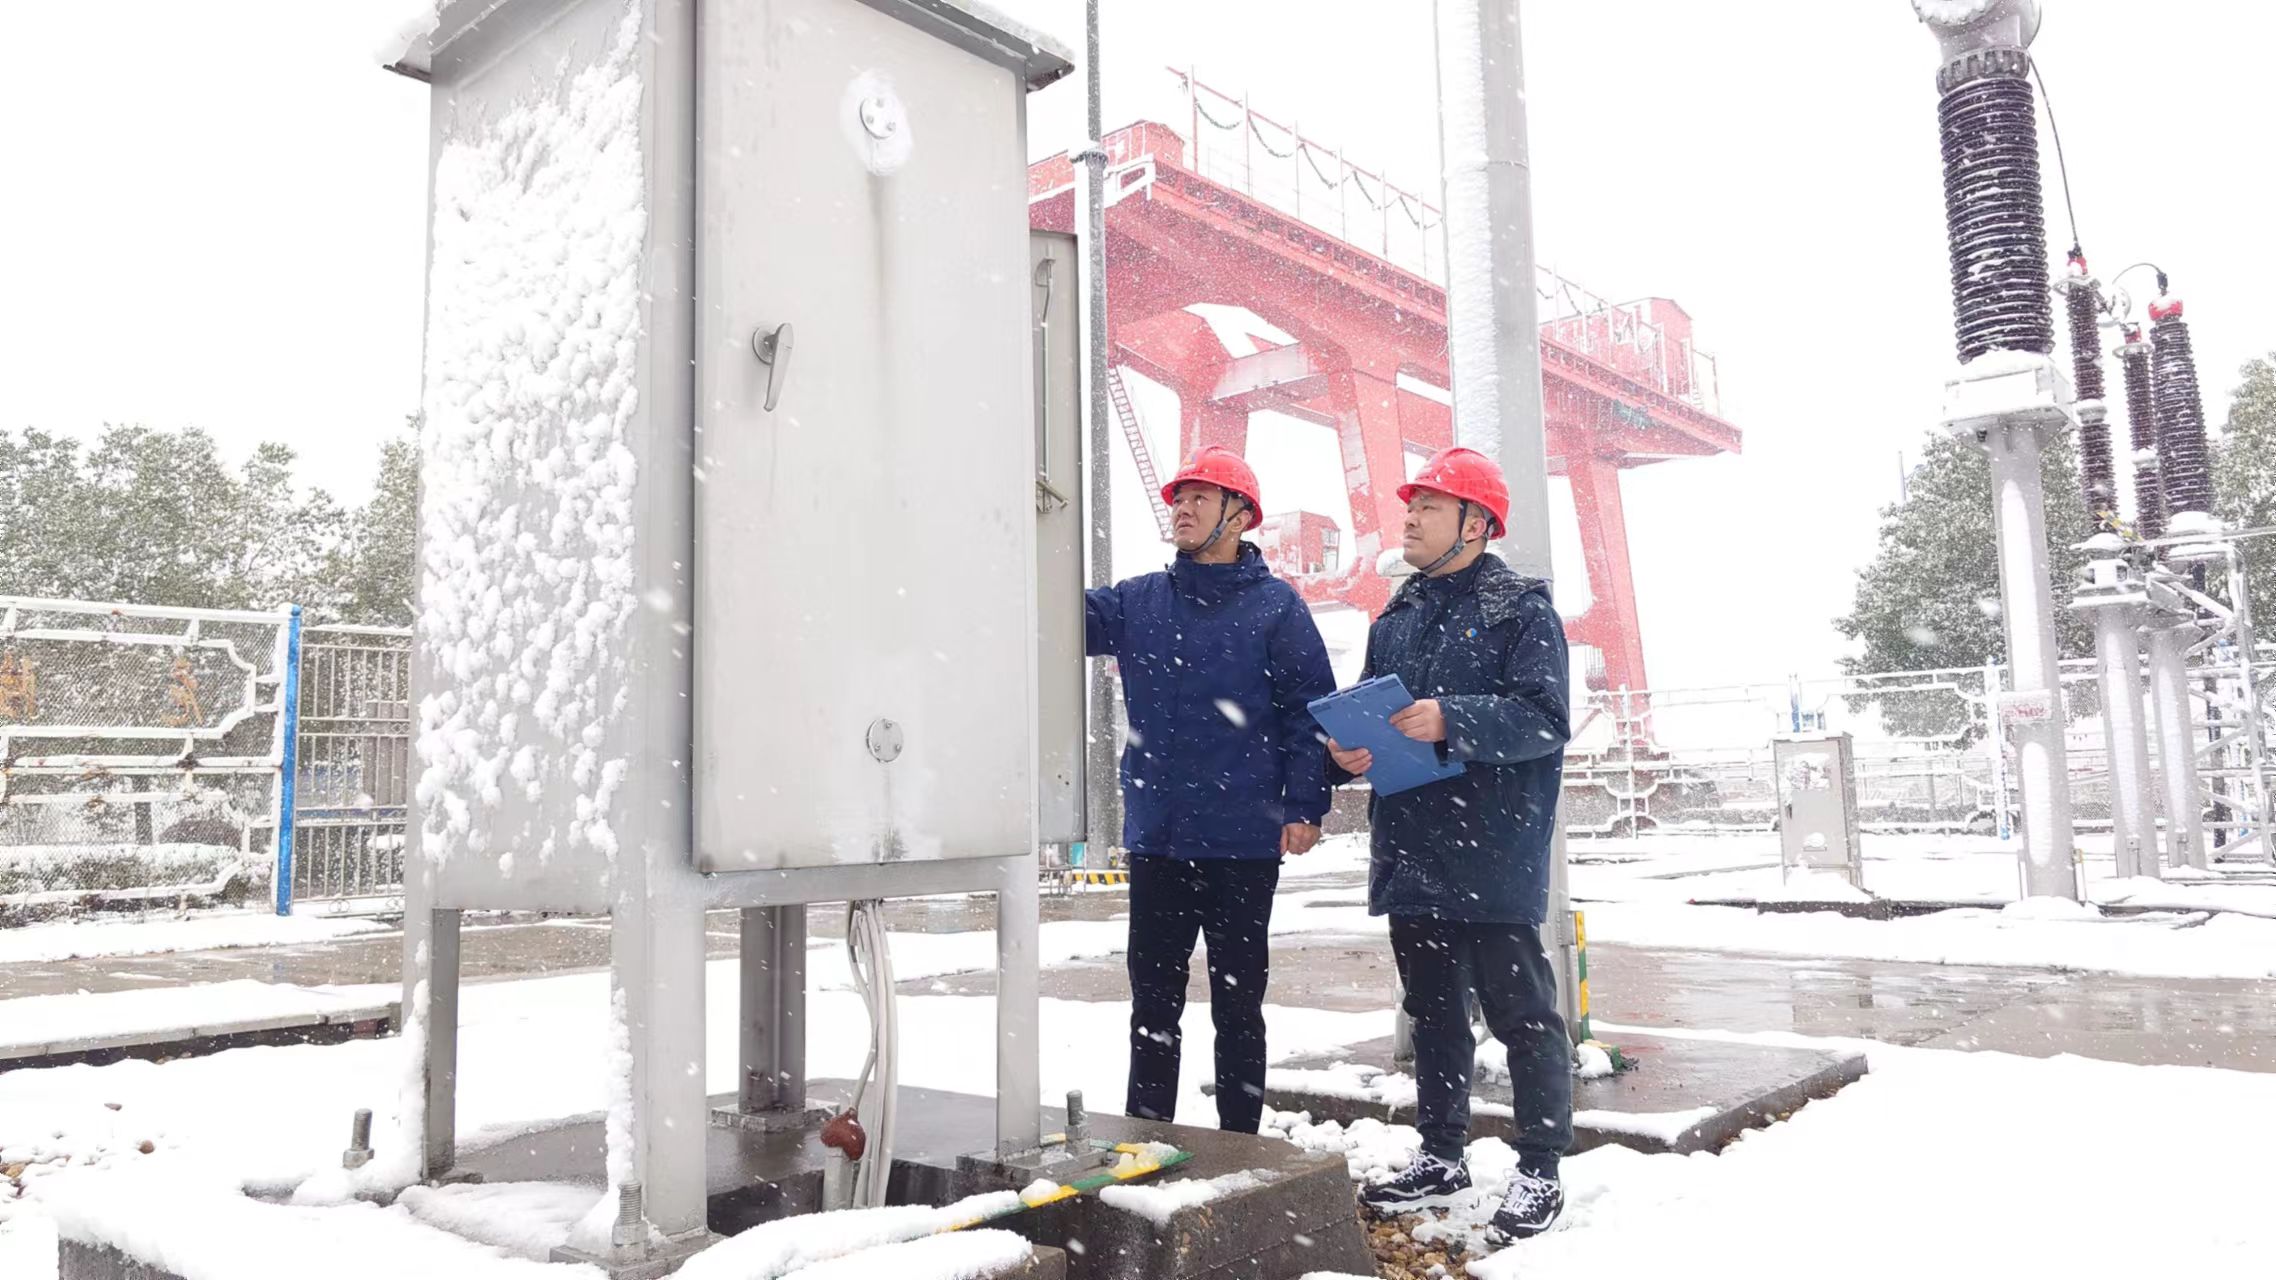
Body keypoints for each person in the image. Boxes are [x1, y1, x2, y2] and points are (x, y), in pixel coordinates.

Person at [1324, 446, 1574, 1243]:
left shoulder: (1521, 612)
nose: (1410, 517)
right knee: (1433, 1014)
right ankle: (1441, 1155)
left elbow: (1546, 719)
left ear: (1475, 524)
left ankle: (1541, 1168)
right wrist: (1347, 754)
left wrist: (1452, 718)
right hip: (1414, 846)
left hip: (1492, 848)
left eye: (1429, 505)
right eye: (1412, 504)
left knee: (1522, 1014)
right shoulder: (1394, 618)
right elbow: (1377, 713)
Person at [1085, 445, 1336, 1134]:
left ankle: (1241, 1142)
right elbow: (1055, 612)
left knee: (1239, 1006)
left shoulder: (1277, 609)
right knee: (1152, 1006)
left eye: (1199, 497)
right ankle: (1146, 1136)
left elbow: (1308, 713)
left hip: (1242, 845)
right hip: (1159, 841)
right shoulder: (1138, 602)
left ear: (1240, 515)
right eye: (1178, 498)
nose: (1182, 509)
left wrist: (1305, 805)